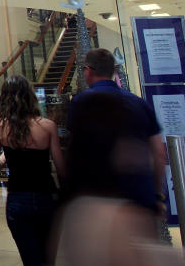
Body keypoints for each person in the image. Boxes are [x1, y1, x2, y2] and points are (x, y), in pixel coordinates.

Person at [63, 48, 165, 214]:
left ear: (88, 71)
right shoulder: (140, 103)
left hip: (100, 199)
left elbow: (76, 150)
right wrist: (156, 193)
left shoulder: (81, 103)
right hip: (139, 198)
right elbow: (159, 153)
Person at [0, 75, 64, 266]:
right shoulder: (48, 126)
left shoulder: (0, 127)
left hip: (17, 200)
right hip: (46, 196)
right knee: (49, 263)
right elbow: (61, 168)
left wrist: (6, 157)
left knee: (31, 264)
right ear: (31, 97)